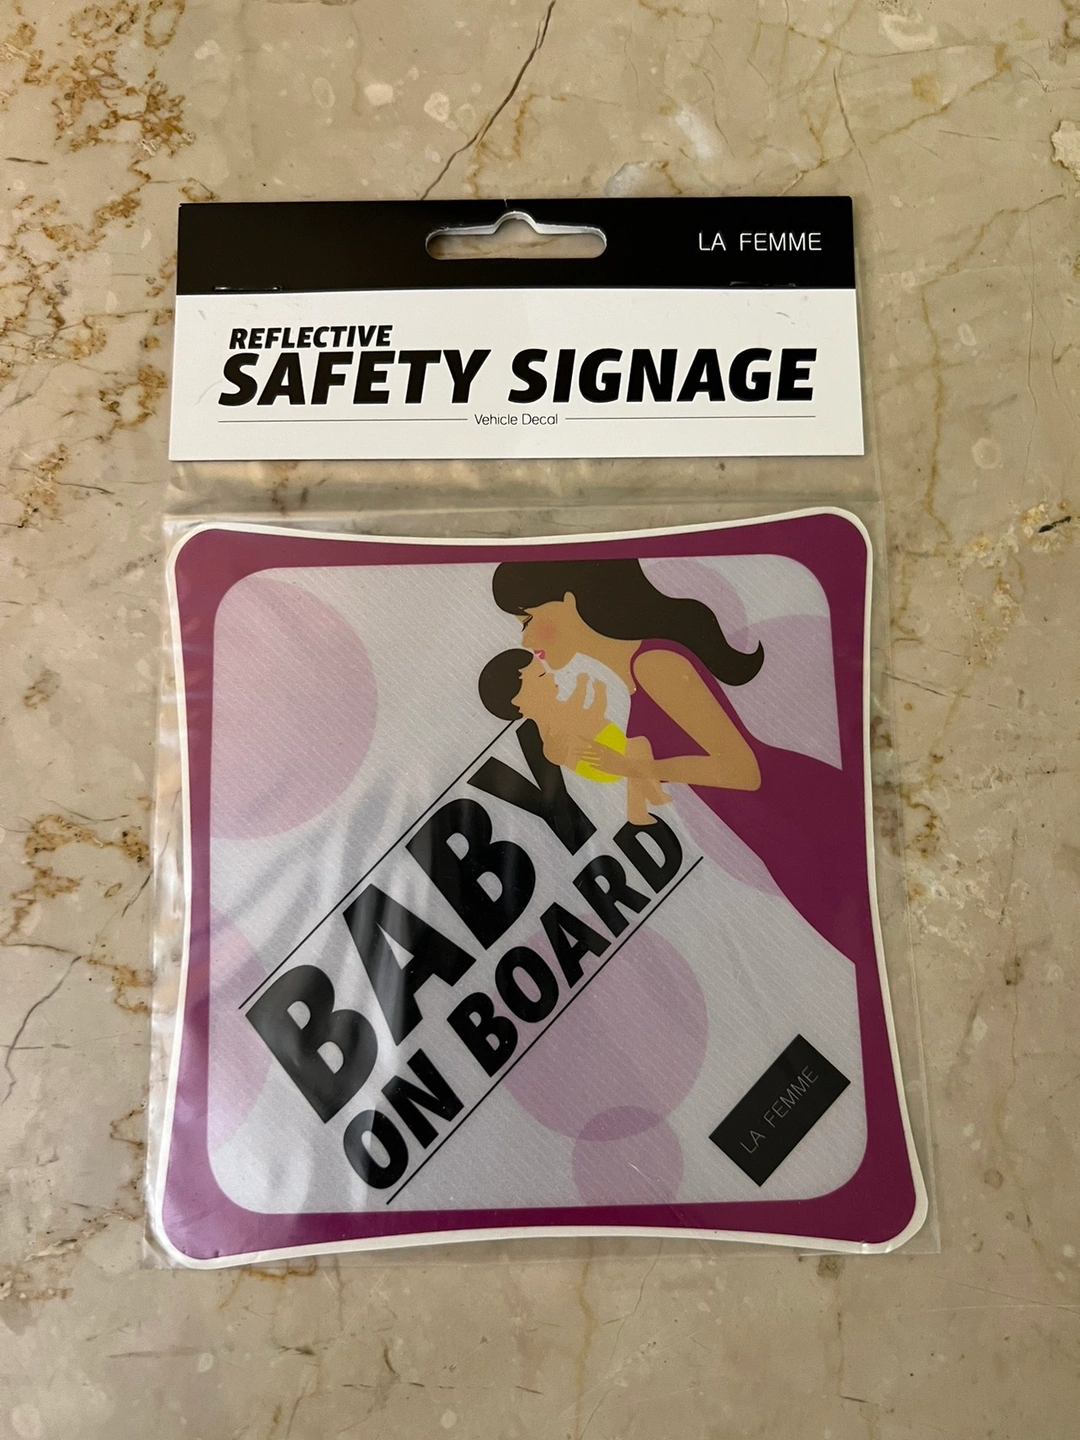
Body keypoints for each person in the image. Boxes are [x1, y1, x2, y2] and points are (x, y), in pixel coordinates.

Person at [488, 558, 872, 966]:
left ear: (569, 601)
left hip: (800, 813)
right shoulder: (630, 680)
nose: (526, 639)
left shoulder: (653, 664)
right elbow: (654, 785)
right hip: (775, 835)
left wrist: (630, 767)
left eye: (528, 619)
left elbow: (743, 771)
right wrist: (592, 751)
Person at [478, 647, 671, 826]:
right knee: (637, 749)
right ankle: (638, 809)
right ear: (518, 701)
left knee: (639, 747)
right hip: (596, 759)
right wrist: (582, 686)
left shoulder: (559, 712)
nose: (550, 675)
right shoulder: (550, 722)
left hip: (606, 744)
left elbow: (591, 714)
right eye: (541, 675)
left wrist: (599, 695)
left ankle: (650, 795)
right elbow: (556, 747)